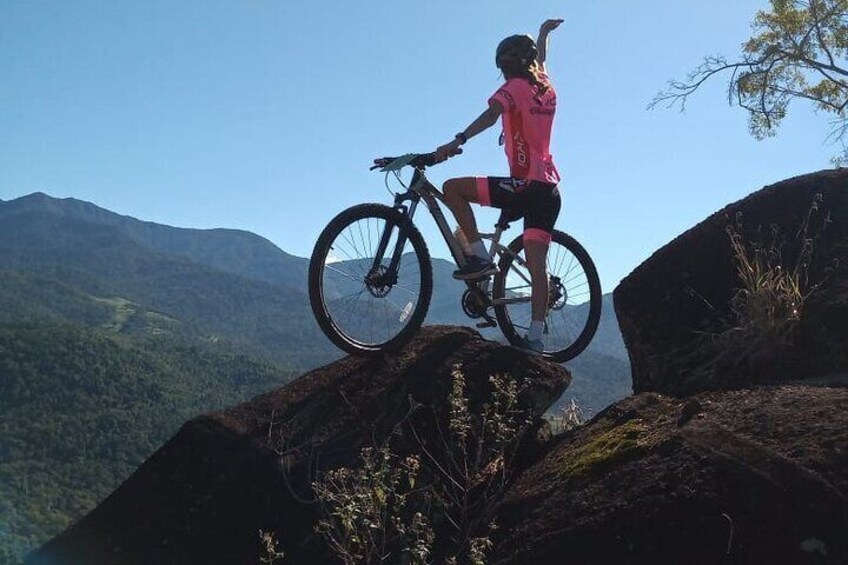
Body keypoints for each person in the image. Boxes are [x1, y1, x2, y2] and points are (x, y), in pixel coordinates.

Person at [434, 18, 564, 353]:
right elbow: (543, 61)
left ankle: (479, 260)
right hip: (548, 190)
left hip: (523, 185)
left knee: (453, 189)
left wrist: (458, 139)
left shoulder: (515, 88)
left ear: (508, 67)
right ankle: (534, 339)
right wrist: (544, 35)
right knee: (538, 268)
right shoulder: (544, 88)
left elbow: (491, 115)